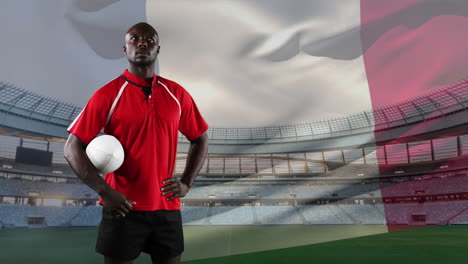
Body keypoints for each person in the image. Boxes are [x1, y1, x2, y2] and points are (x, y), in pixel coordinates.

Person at [64, 22, 209, 264]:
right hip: (122, 208)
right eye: (135, 38)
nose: (142, 43)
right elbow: (71, 146)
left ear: (158, 49)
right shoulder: (107, 95)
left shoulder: (177, 94)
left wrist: (186, 182)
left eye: (149, 39)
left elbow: (200, 138)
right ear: (125, 48)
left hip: (167, 208)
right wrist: (105, 191)